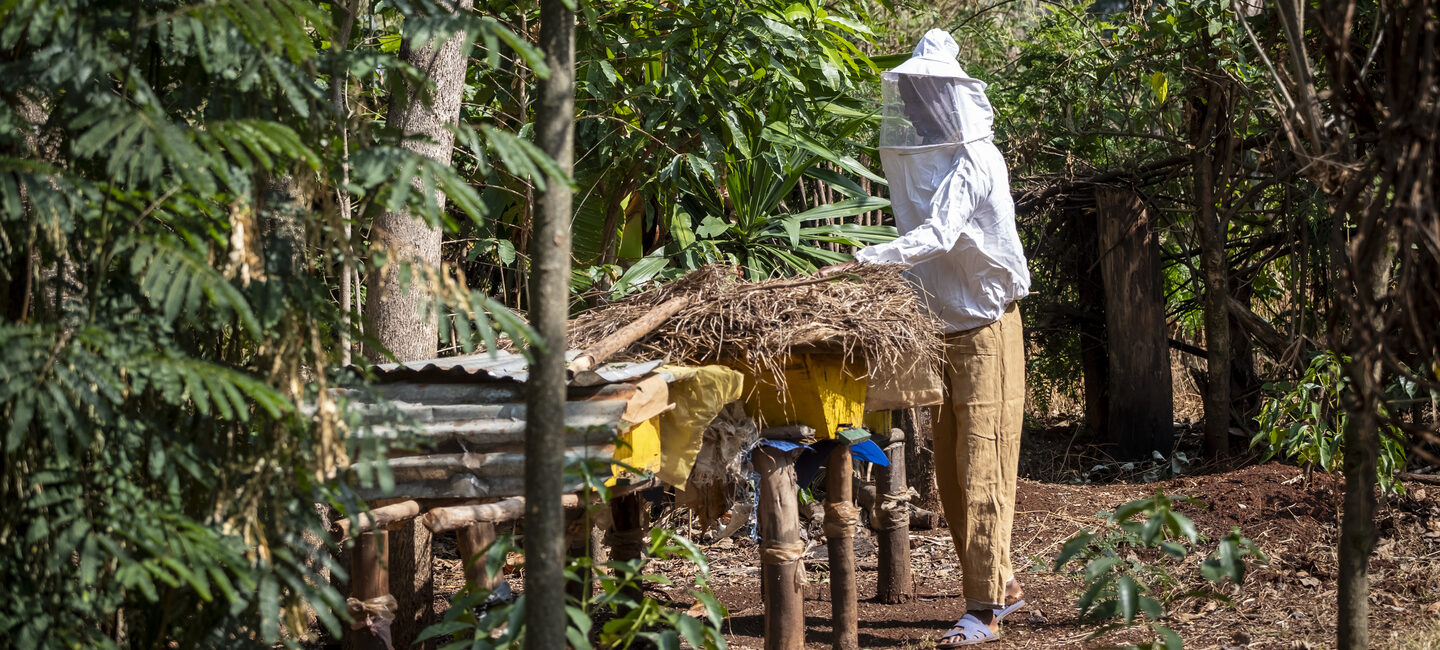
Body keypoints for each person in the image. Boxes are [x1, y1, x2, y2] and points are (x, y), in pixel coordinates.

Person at [819, 29, 1030, 646]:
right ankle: (1002, 585)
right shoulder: (935, 162)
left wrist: (866, 259)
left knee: (983, 465)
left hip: (989, 331)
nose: (912, 107)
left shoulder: (976, 160)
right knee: (951, 472)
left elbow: (937, 236)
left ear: (948, 99)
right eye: (907, 94)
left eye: (922, 94)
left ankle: (985, 609)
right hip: (943, 334)